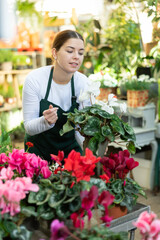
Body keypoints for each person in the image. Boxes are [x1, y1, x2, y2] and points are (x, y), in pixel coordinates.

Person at [22, 29, 91, 162]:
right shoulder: (35, 80)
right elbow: (29, 127)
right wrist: (45, 121)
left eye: (81, 52)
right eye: (70, 51)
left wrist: (92, 148)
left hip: (70, 154)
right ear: (55, 53)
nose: (76, 56)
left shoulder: (83, 84)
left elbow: (80, 130)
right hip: (38, 154)